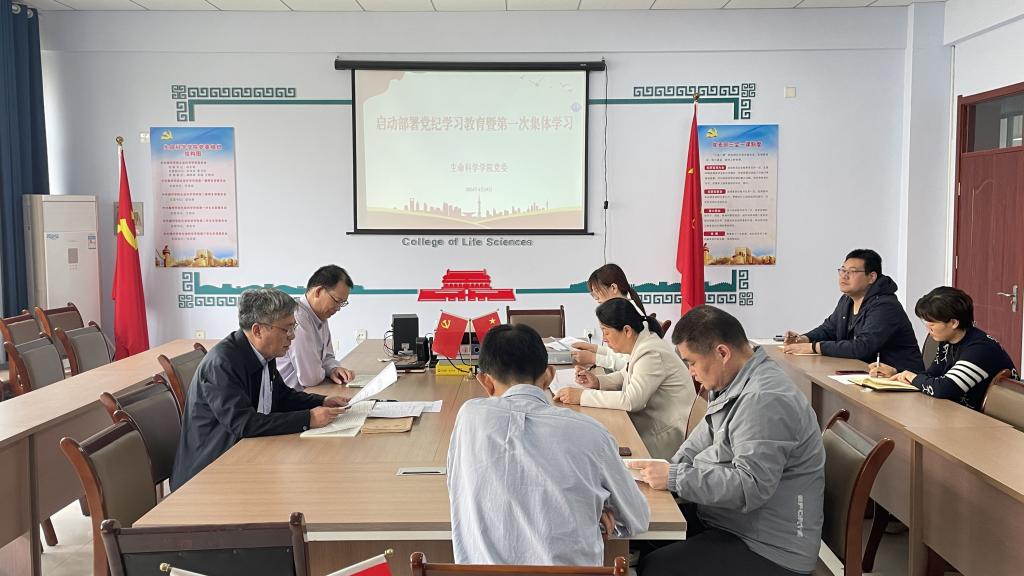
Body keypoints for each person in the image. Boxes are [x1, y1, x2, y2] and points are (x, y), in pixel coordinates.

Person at [633, 305, 824, 576]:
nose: (691, 372)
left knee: (656, 567)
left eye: (692, 362)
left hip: (770, 546)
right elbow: (698, 441)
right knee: (639, 531)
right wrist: (667, 470)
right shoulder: (735, 381)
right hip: (729, 521)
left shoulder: (764, 400)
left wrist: (675, 478)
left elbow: (749, 487)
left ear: (722, 353)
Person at [447, 323, 649, 566]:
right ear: (549, 376)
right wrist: (590, 510)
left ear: (485, 382)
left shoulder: (469, 416)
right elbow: (637, 519)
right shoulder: (591, 432)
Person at [171, 288, 350, 491]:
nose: (292, 336)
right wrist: (308, 418)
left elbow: (282, 397)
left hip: (246, 455)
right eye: (286, 329)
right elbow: (243, 424)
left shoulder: (265, 352)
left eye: (293, 327)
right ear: (257, 330)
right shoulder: (223, 363)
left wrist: (322, 401)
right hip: (209, 473)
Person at [555, 298, 694, 460]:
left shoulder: (651, 353)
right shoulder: (642, 343)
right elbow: (625, 373)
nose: (604, 338)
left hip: (664, 437)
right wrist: (598, 381)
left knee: (598, 448)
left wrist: (581, 396)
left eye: (606, 332)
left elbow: (631, 400)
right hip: (651, 424)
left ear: (627, 330)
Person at [871, 286, 1016, 410]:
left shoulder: (980, 349)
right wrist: (897, 373)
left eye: (932, 325)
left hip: (986, 423)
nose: (928, 330)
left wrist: (911, 377)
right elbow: (933, 375)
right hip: (957, 413)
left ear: (953, 323)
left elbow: (944, 389)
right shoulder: (948, 339)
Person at [784, 248, 924, 373]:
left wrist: (813, 347)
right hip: (866, 374)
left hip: (900, 380)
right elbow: (829, 329)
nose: (844, 276)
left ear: (872, 277)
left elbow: (862, 347)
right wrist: (804, 339)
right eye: (842, 270)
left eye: (852, 271)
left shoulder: (885, 306)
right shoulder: (847, 300)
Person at [277, 265, 356, 389]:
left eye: (342, 303)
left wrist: (334, 369)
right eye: (337, 301)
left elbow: (328, 357)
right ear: (318, 291)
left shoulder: (320, 316)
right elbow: (310, 378)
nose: (338, 308)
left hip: (309, 392)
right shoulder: (297, 317)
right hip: (292, 395)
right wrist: (325, 371)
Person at [571, 263, 648, 371]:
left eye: (597, 291)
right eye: (593, 294)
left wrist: (593, 358)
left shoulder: (630, 314)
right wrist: (592, 348)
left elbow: (629, 364)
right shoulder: (624, 309)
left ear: (613, 288)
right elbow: (620, 354)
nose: (596, 298)